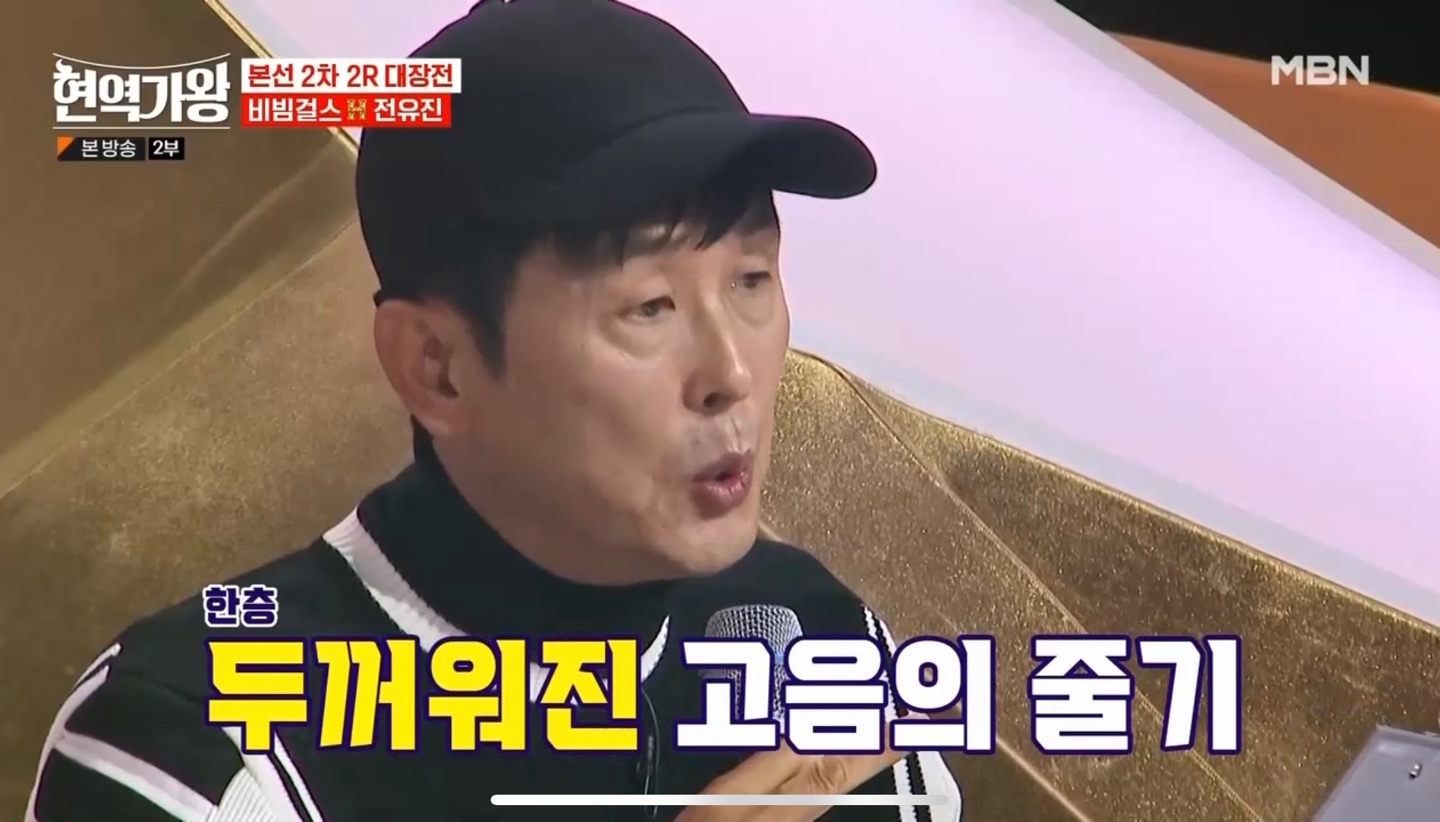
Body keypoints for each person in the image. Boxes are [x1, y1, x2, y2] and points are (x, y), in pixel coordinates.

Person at [27, 1, 963, 820]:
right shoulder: (195, 742)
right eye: (649, 306)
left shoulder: (818, 640)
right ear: (436, 368)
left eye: (752, 278)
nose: (732, 372)